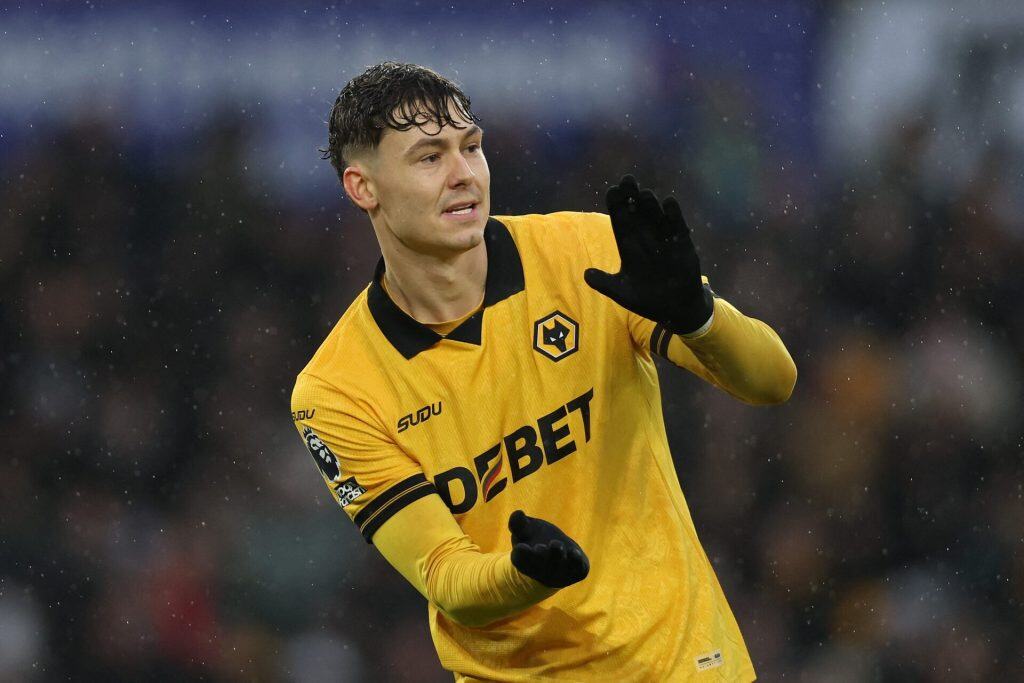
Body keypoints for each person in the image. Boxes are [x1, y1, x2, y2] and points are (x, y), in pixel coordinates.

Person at [290, 61, 796, 682]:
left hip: (683, 665)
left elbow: (773, 382)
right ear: (362, 187)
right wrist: (524, 573)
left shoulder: (586, 255)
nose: (463, 175)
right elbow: (447, 577)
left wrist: (699, 317)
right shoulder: (336, 392)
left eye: (471, 148)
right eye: (429, 158)